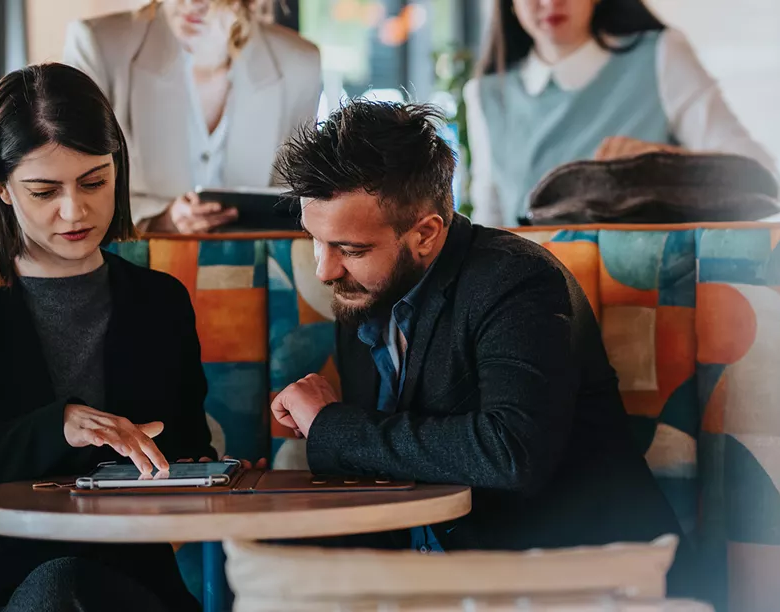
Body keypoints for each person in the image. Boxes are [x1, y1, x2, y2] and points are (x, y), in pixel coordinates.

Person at [268, 99, 680, 551]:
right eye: (317, 242)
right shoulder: (364, 294)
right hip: (445, 577)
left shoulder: (516, 280)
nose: (325, 271)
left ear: (425, 234)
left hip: (581, 573)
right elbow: (383, 474)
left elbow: (512, 452)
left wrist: (332, 425)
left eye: (351, 249)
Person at [0, 63, 211, 612]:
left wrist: (212, 472)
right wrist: (55, 429)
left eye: (94, 182)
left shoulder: (161, 302)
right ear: (2, 188)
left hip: (129, 583)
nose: (76, 210)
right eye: (44, 191)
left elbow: (183, 453)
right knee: (57, 590)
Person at [464, 0, 776, 227]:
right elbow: (489, 224)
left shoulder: (660, 56)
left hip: (653, 299)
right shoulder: (486, 96)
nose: (550, 2)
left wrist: (661, 160)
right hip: (528, 306)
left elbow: (759, 175)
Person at [64, 0, 330, 233]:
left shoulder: (299, 63)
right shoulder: (98, 47)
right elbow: (76, 186)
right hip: (138, 263)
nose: (191, 2)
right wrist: (160, 219)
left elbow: (293, 203)